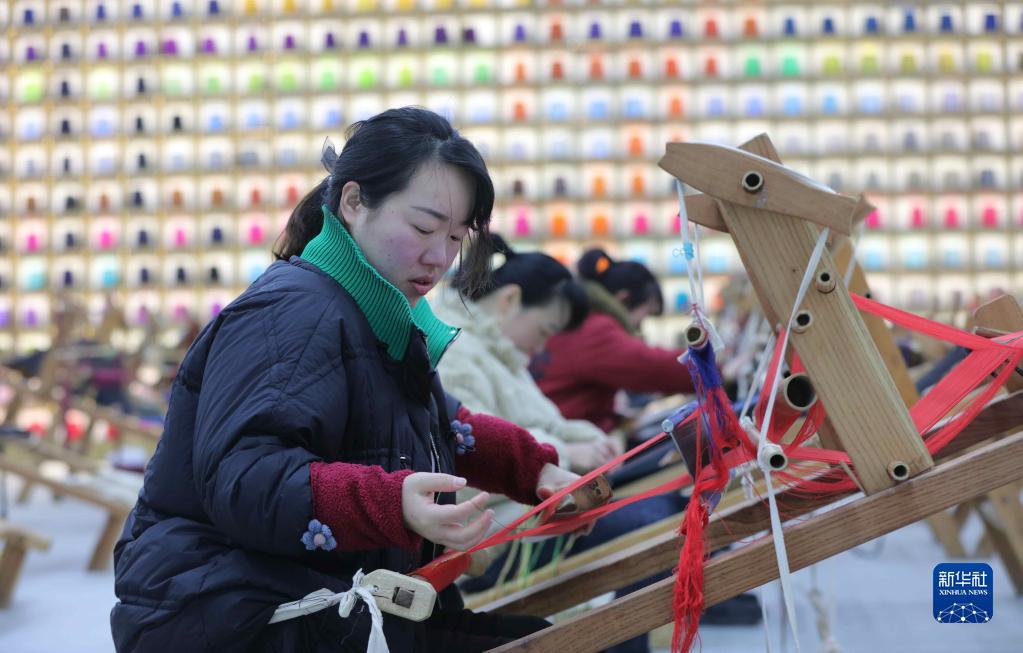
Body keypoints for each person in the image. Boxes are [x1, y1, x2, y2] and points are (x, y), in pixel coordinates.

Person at [110, 107, 580, 653]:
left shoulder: (374, 311)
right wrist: (393, 503)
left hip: (325, 597)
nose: (439, 257)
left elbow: (443, 427)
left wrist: (537, 471)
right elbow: (247, 477)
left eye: (454, 237)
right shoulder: (292, 312)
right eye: (423, 228)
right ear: (353, 203)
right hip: (231, 612)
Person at [433, 238, 686, 653]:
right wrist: (568, 454)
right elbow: (473, 454)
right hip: (496, 532)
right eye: (544, 331)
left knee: (662, 512)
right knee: (653, 522)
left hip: (524, 508)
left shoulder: (498, 354)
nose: (542, 347)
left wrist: (589, 442)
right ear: (509, 300)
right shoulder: (458, 354)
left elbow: (545, 423)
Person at [532, 248, 696, 434]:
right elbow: (651, 367)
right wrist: (709, 365)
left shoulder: (583, 319)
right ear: (624, 299)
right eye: (645, 315)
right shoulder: (596, 329)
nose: (641, 327)